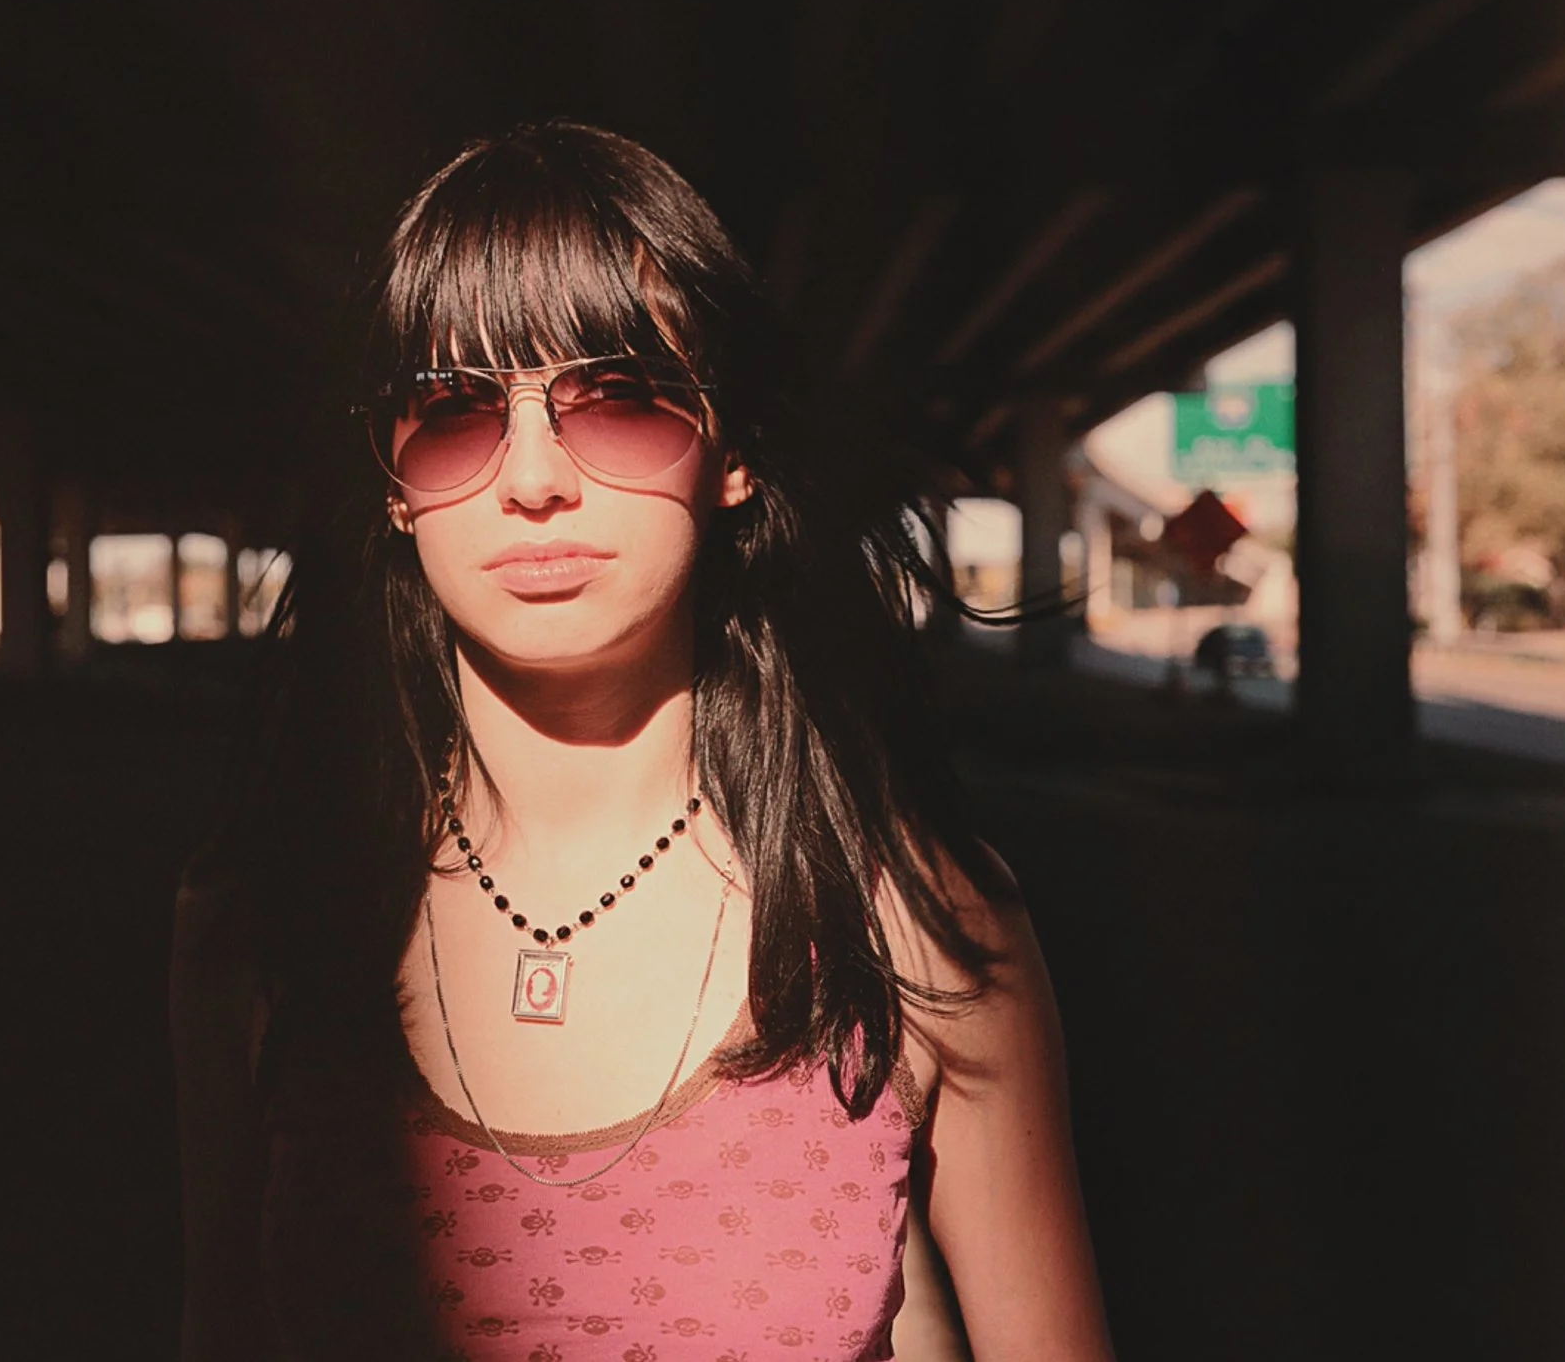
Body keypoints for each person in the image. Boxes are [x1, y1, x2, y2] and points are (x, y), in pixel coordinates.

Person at [171, 120, 1114, 1362]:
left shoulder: (915, 922)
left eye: (617, 398)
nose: (532, 477)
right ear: (392, 484)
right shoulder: (261, 927)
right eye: (452, 412)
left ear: (731, 452)